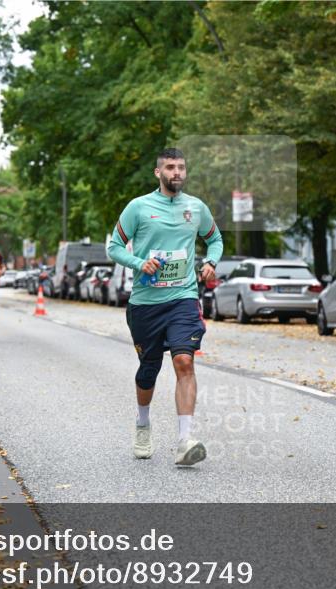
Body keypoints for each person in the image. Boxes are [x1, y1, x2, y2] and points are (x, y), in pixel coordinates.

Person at [107, 147, 223, 466]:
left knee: (184, 362)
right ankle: (143, 423)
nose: (177, 172)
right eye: (170, 167)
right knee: (149, 369)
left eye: (181, 167)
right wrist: (139, 262)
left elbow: (215, 239)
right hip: (145, 304)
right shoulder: (139, 208)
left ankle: (185, 439)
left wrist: (211, 261)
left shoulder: (196, 208)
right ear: (158, 173)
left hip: (183, 297)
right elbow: (113, 247)